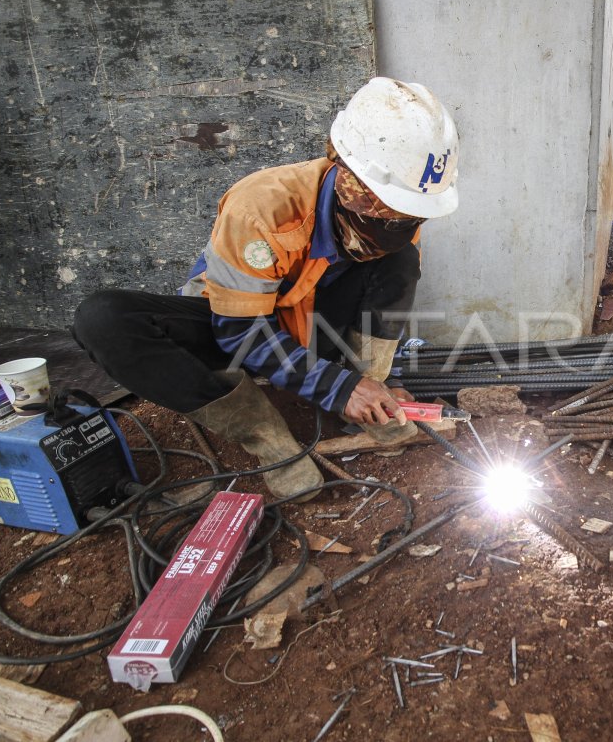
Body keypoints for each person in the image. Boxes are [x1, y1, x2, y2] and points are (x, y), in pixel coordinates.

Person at [72, 78, 459, 501]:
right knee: (103, 319)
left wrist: (371, 381)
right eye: (381, 210)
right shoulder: (261, 207)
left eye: (407, 216)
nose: (391, 224)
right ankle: (267, 437)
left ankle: (368, 396)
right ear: (344, 170)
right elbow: (239, 330)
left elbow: (385, 303)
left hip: (312, 333)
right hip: (233, 330)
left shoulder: (398, 230)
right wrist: (334, 387)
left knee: (400, 260)